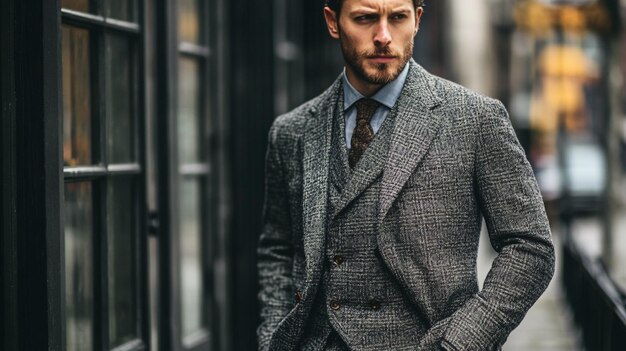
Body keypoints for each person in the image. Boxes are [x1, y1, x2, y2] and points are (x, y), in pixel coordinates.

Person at [257, 0, 555, 350]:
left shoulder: (475, 119)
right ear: (333, 22)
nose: (383, 36)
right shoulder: (292, 131)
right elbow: (278, 248)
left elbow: (530, 247)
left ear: (416, 20)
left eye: (396, 17)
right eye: (365, 18)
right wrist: (272, 338)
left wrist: (462, 341)